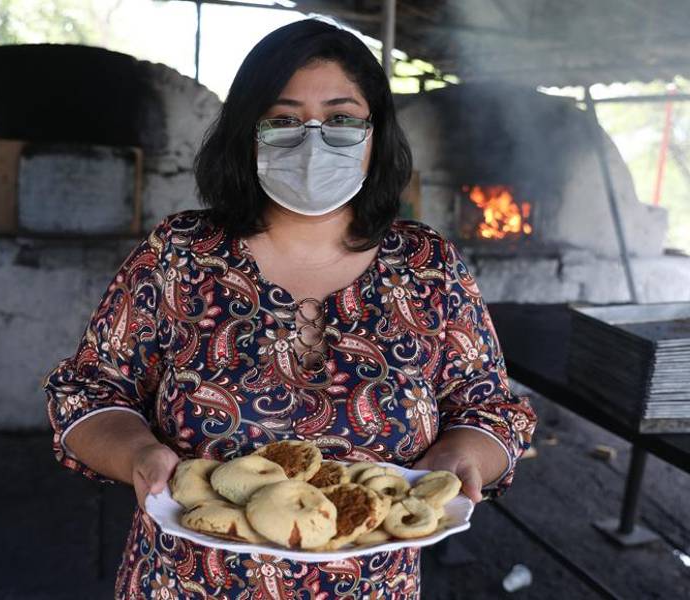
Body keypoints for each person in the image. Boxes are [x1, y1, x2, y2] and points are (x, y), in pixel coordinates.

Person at [42, 18, 537, 599]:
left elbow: (491, 409)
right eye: (283, 119)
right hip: (183, 583)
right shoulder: (180, 255)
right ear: (247, 133)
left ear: (376, 133)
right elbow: (89, 392)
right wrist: (139, 454)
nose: (312, 140)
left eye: (341, 118)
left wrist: (461, 454)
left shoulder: (428, 266)